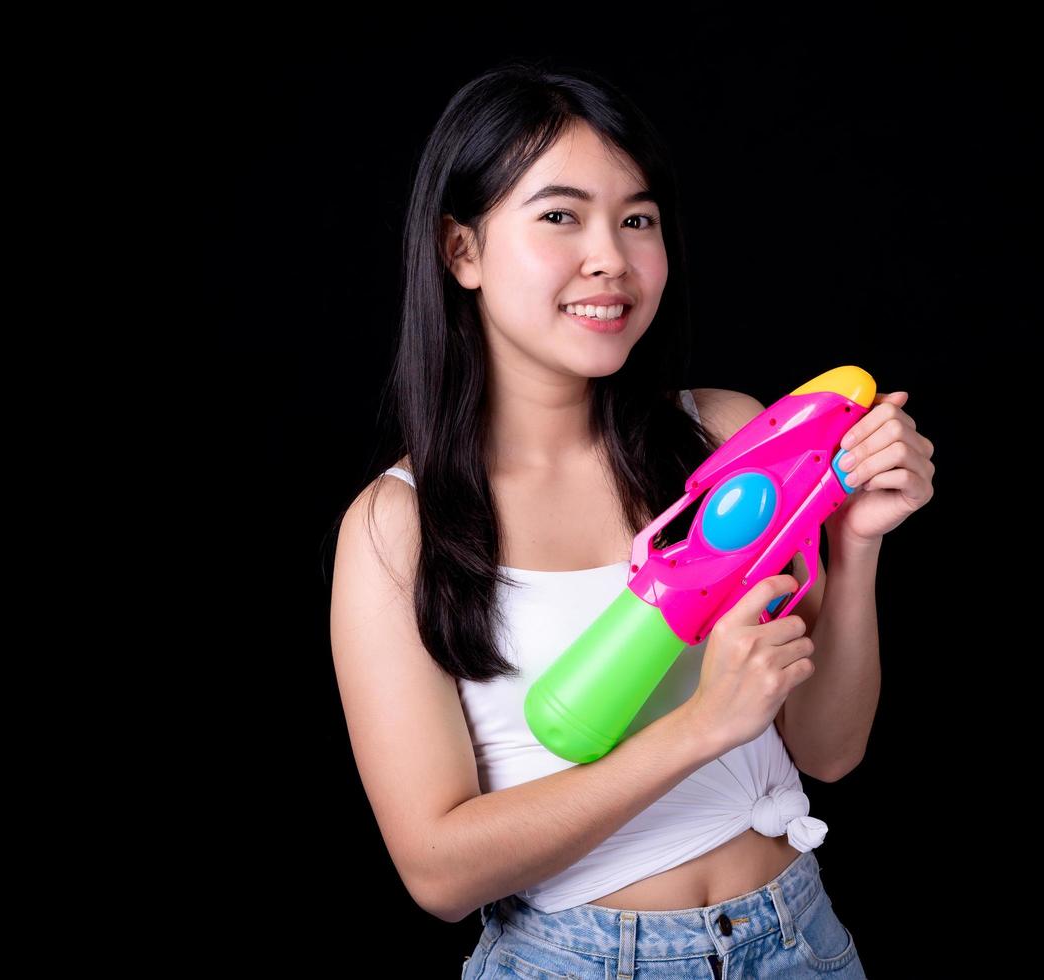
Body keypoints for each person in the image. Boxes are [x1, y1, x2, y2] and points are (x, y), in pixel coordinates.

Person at [328, 57, 931, 979]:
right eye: (560, 216)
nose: (609, 255)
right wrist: (698, 727)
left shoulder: (727, 439)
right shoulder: (395, 529)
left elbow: (831, 749)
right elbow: (438, 873)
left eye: (636, 218)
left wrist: (854, 546)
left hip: (801, 940)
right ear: (463, 251)